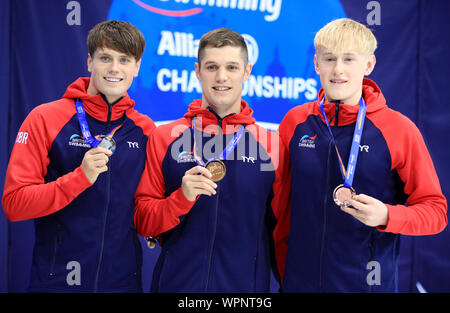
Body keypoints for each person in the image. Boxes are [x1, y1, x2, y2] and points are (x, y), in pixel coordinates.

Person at [278, 18, 447, 292]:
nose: (338, 69)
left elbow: (436, 212)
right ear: (317, 63)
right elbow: (278, 205)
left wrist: (387, 216)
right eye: (330, 59)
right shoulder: (295, 122)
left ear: (368, 65)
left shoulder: (398, 129)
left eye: (349, 59)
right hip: (299, 284)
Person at [2, 20, 155, 292]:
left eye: (124, 60)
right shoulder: (45, 118)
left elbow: (147, 210)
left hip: (123, 284)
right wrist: (80, 178)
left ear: (137, 66)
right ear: (89, 61)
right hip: (58, 282)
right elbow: (15, 205)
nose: (114, 69)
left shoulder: (145, 130)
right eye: (105, 58)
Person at [133, 28, 290, 292]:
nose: (221, 77)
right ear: (197, 70)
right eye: (212, 66)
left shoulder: (271, 145)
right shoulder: (165, 137)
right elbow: (143, 221)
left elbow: (282, 234)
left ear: (247, 71)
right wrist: (180, 199)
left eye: (232, 67)